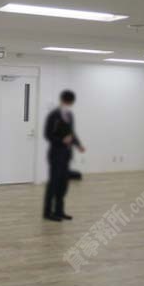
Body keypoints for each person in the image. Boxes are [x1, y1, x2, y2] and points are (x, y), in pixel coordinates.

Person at [43, 90, 85, 221]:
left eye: (70, 102)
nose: (68, 104)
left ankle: (59, 211)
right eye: (66, 101)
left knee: (63, 185)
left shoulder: (70, 115)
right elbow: (47, 135)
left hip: (66, 155)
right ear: (61, 100)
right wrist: (61, 141)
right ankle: (48, 213)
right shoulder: (53, 115)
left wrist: (78, 144)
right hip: (56, 155)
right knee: (53, 184)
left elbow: (72, 133)